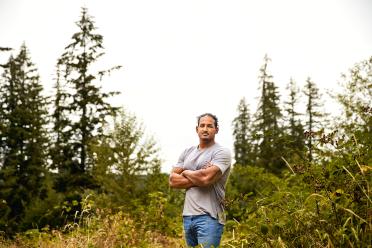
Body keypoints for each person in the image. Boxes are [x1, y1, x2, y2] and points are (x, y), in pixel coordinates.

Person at [169, 113, 232, 248]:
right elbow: (173, 180)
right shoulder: (187, 152)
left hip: (210, 217)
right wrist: (199, 176)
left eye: (209, 126)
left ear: (216, 129)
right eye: (202, 125)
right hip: (188, 217)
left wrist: (185, 172)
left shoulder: (221, 152)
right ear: (196, 129)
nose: (205, 129)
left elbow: (206, 178)